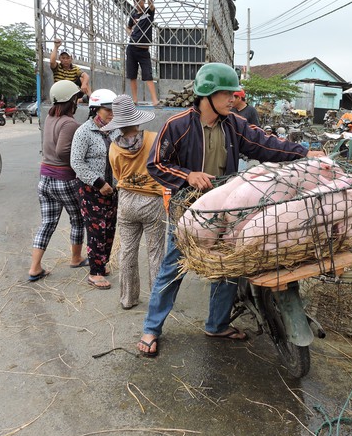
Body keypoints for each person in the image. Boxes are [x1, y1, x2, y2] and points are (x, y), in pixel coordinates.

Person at [137, 62, 324, 357]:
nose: (233, 99)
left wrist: (303, 153)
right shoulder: (179, 125)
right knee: (172, 270)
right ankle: (151, 328)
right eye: (226, 93)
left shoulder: (234, 125)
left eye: (233, 94)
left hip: (224, 212)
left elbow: (265, 144)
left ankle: (217, 324)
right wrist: (187, 176)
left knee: (228, 270)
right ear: (207, 94)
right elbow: (156, 164)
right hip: (189, 213)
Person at [106, 95, 165, 309]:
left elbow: (117, 175)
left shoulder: (114, 147)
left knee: (128, 251)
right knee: (155, 251)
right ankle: (158, 301)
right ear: (136, 119)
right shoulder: (153, 139)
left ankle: (128, 298)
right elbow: (162, 167)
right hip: (152, 201)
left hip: (127, 201)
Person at [28, 80, 86, 282]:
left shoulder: (50, 118)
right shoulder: (69, 123)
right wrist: (78, 159)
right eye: (76, 98)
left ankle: (35, 268)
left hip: (45, 178)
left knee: (47, 223)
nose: (78, 101)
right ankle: (76, 258)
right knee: (77, 219)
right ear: (71, 100)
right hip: (64, 180)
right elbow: (63, 151)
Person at [70, 88, 120, 289]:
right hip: (92, 189)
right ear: (95, 109)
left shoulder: (115, 130)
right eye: (107, 110)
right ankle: (95, 272)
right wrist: (100, 183)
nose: (111, 113)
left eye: (113, 110)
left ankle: (101, 262)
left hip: (113, 189)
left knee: (109, 228)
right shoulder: (84, 132)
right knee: (96, 228)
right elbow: (76, 163)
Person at [126, 0, 159, 106]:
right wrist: (131, 33)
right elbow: (128, 27)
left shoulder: (148, 12)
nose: (136, 3)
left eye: (139, 0)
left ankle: (155, 100)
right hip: (132, 48)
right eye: (134, 0)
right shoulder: (133, 15)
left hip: (144, 50)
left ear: (143, 0)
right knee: (132, 75)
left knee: (148, 76)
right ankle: (134, 100)